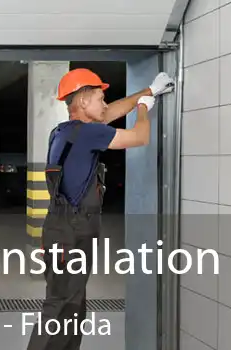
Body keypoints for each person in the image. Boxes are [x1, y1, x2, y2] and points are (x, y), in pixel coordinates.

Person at [26, 68, 175, 350]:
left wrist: (149, 91)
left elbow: (107, 115)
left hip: (67, 228)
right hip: (71, 231)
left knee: (73, 307)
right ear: (82, 101)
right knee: (59, 306)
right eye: (99, 98)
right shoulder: (87, 133)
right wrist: (143, 109)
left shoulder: (66, 131)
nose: (105, 104)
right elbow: (138, 137)